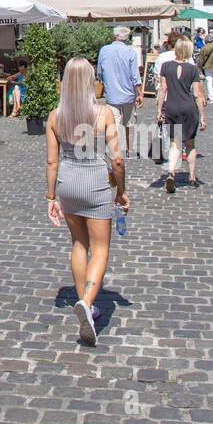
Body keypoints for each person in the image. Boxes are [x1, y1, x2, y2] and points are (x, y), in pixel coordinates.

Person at [46, 58, 128, 346]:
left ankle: (84, 302)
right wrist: (122, 190)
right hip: (95, 181)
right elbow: (117, 159)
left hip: (68, 182)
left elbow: (52, 162)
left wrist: (50, 197)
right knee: (101, 249)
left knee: (79, 244)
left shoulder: (55, 116)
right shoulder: (104, 114)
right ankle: (89, 300)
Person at [157, 37, 206, 192]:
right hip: (188, 107)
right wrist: (203, 116)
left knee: (174, 143)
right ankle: (192, 178)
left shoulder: (166, 66)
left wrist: (159, 110)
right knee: (190, 144)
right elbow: (197, 94)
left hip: (171, 106)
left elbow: (162, 89)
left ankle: (171, 173)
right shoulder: (192, 69)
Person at [96, 26, 144, 154]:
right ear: (126, 38)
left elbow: (99, 72)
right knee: (129, 123)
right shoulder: (130, 52)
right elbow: (135, 76)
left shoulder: (104, 50)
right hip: (128, 94)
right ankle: (130, 149)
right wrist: (140, 93)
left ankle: (114, 150)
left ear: (114, 36)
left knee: (113, 123)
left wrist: (105, 82)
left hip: (111, 94)